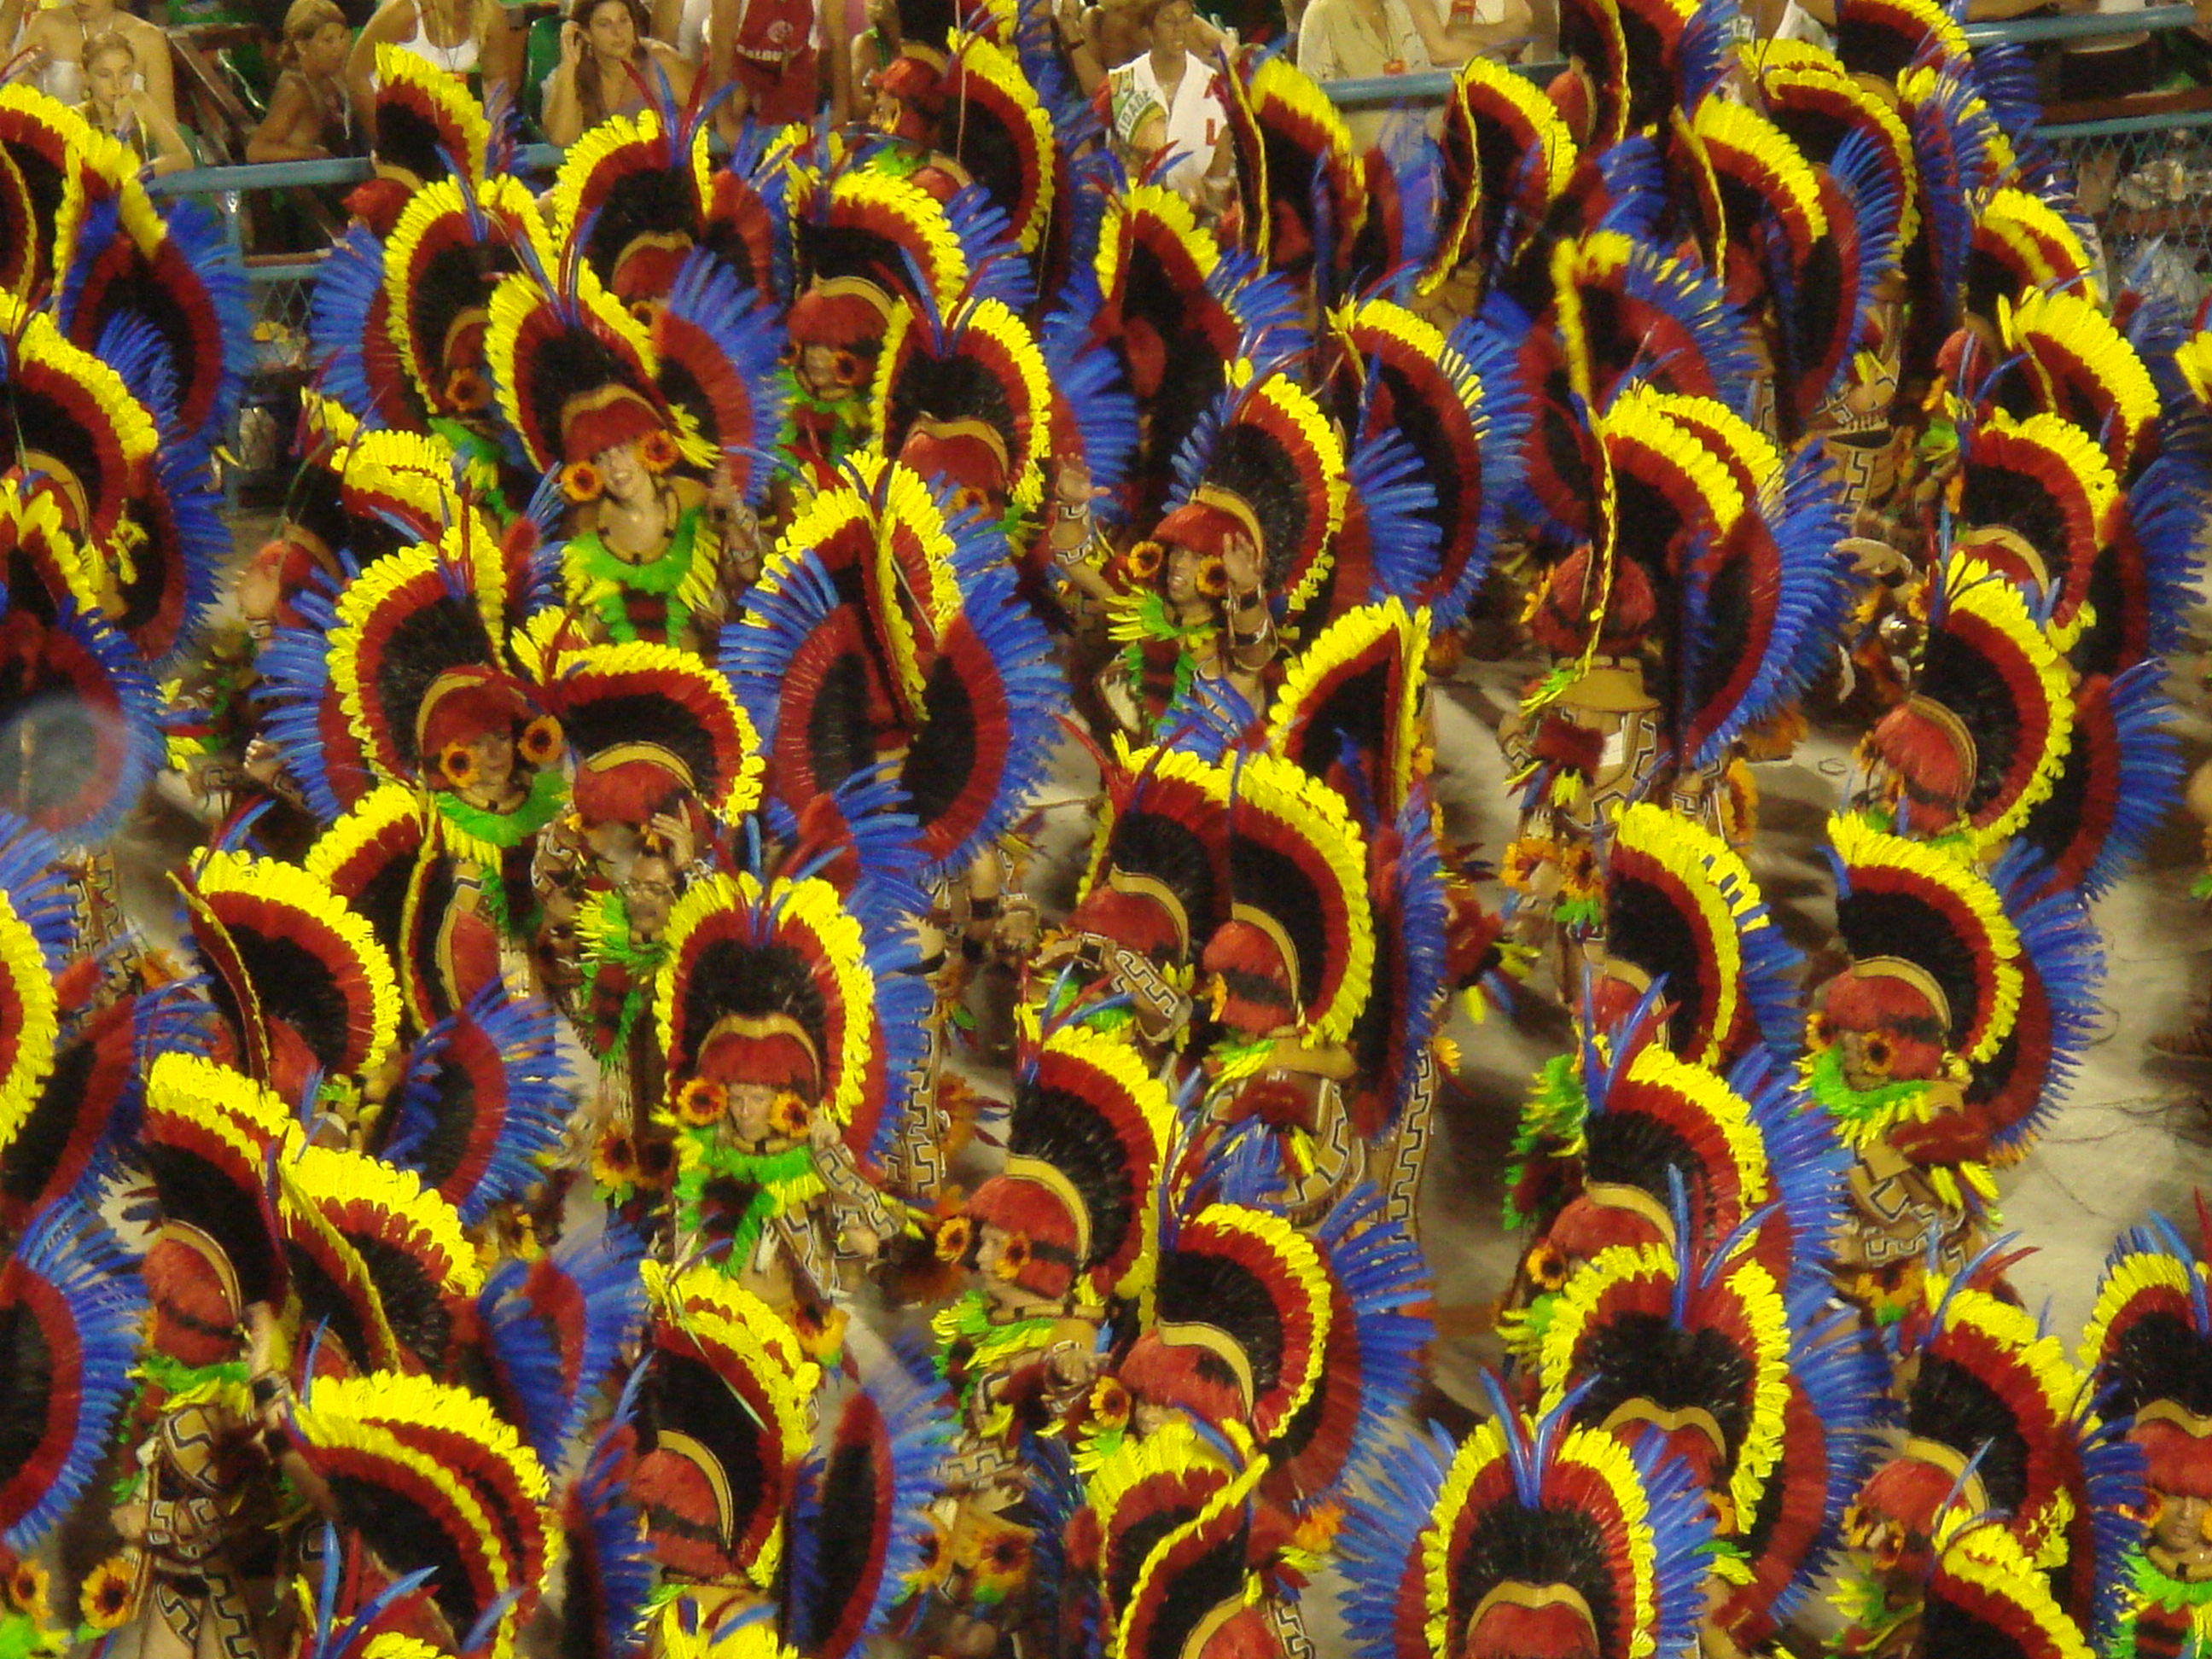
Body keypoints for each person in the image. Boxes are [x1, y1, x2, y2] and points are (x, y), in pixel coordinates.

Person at [1102, 0, 1228, 201]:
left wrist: (1206, 196)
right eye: (1168, 20)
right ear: (1149, 28)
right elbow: (1117, 166)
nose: (1179, 29)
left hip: (1201, 216)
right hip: (1138, 211)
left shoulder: (1216, 88)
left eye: (1186, 18)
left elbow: (1221, 177)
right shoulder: (1122, 83)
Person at [345, 0, 521, 133]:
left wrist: (496, 138)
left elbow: (495, 79)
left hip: (437, 122)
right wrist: (383, 142)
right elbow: (357, 75)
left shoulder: (490, 14)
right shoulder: (403, 10)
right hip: (381, 116)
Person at [540, 0, 694, 144]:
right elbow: (561, 139)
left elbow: (704, 116)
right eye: (604, 24)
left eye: (623, 20)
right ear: (586, 34)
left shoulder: (660, 62)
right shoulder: (571, 73)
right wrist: (568, 65)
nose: (618, 32)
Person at [5, 0, 176, 125]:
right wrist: (29, 71)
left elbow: (167, 129)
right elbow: (9, 105)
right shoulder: (45, 25)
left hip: (127, 157)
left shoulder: (150, 39)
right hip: (53, 154)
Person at [246, 0, 356, 161]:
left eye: (341, 37)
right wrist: (316, 155)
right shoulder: (295, 89)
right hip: (307, 175)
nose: (339, 47)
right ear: (301, 46)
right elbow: (257, 151)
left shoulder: (330, 79)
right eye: (328, 40)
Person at [80, 28, 192, 172]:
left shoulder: (140, 102)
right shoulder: (75, 117)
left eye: (125, 73)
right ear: (86, 77)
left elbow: (183, 158)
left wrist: (146, 172)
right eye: (105, 75)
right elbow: (103, 172)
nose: (117, 84)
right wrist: (122, 126)